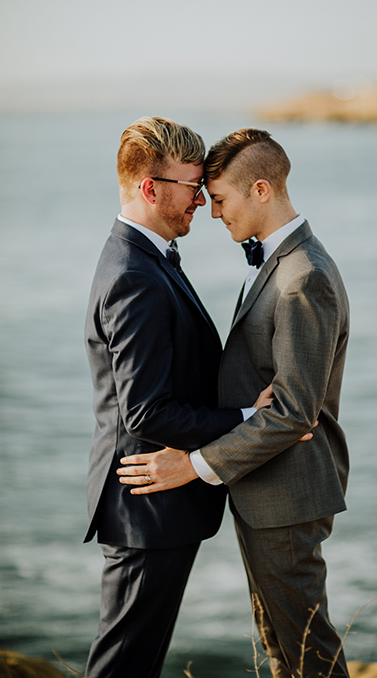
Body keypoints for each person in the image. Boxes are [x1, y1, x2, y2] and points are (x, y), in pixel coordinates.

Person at [118, 128, 350, 678]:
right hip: (264, 488)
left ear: (262, 190)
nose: (211, 210)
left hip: (287, 495)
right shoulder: (276, 262)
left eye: (220, 198)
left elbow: (294, 412)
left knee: (305, 651)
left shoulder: (302, 278)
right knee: (279, 644)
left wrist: (193, 465)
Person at [83, 117, 277, 678]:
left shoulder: (148, 255)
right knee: (125, 663)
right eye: (192, 189)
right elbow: (145, 411)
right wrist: (248, 416)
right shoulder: (134, 276)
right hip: (146, 502)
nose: (201, 203)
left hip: (151, 503)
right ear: (150, 187)